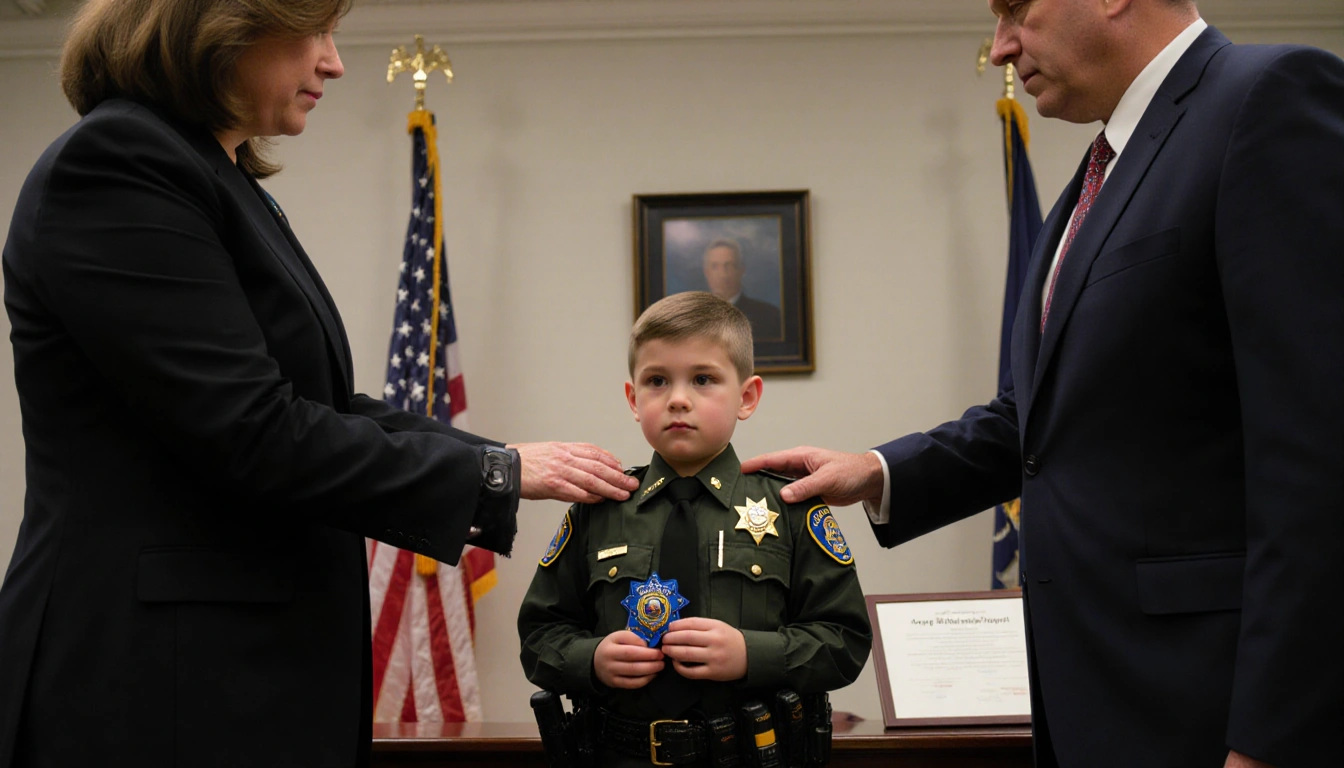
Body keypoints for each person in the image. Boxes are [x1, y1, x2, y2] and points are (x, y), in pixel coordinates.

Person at [0, 1, 639, 766]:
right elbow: (252, 430)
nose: (333, 62)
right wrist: (492, 476)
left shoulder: (218, 175)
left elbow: (325, 410)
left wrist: (507, 461)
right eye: (314, 33)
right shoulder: (119, 161)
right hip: (155, 680)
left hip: (230, 674)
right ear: (220, 27)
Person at [744, 1, 1343, 767]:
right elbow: (1042, 419)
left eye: (1014, 8)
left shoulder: (1268, 99)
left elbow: (1321, 459)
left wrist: (1273, 743)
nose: (998, 47)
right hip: (1095, 702)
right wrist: (876, 472)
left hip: (1210, 710)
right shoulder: (1098, 178)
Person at [518, 292, 870, 767]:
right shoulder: (598, 508)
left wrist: (753, 654)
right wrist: (592, 660)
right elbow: (540, 635)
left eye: (703, 379)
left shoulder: (791, 507)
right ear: (633, 399)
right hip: (620, 755)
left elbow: (845, 640)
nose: (678, 399)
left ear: (747, 397)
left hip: (752, 756)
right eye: (657, 381)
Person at [701, 238, 783, 341]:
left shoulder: (769, 316)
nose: (723, 275)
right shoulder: (693, 318)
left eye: (729, 265)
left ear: (741, 270)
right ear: (706, 272)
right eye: (715, 266)